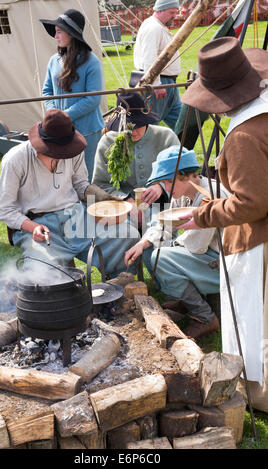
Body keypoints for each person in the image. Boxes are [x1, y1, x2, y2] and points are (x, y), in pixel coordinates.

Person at [179, 37, 268, 412]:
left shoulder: (245, 135)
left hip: (258, 240)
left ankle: (260, 393)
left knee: (256, 321)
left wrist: (204, 213)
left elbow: (252, 203)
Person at [0, 109, 140, 278]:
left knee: (127, 236)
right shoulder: (15, 160)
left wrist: (104, 198)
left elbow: (80, 184)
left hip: (75, 216)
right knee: (40, 271)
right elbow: (5, 210)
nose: (62, 157)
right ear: (41, 144)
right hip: (37, 224)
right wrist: (33, 227)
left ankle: (119, 289)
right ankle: (64, 301)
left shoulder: (73, 150)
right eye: (56, 153)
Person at [124, 145, 230, 339]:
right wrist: (143, 242)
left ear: (186, 176)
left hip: (224, 262)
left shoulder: (209, 195)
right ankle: (185, 300)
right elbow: (165, 226)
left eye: (168, 182)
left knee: (161, 257)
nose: (166, 188)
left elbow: (197, 245)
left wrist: (171, 245)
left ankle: (205, 317)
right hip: (205, 254)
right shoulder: (182, 194)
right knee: (149, 249)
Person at [92, 92, 180, 229]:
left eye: (137, 125)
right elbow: (100, 184)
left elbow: (182, 175)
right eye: (127, 126)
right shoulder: (108, 142)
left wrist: (161, 187)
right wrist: (125, 200)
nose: (132, 131)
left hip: (162, 206)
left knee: (158, 231)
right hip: (121, 208)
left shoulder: (166, 138)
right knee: (123, 234)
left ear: (146, 121)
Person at [40, 9, 104, 181]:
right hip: (59, 130)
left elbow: (93, 98)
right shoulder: (54, 60)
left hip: (87, 131)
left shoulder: (92, 62)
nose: (55, 36)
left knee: (88, 177)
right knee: (64, 178)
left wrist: (64, 116)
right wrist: (53, 114)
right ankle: (70, 208)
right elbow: (47, 91)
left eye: (59, 31)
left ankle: (91, 208)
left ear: (71, 34)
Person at [132, 0, 181, 131]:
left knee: (182, 123)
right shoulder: (153, 28)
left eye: (175, 12)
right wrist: (156, 84)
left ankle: (183, 150)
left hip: (169, 84)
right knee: (150, 127)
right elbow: (149, 58)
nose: (174, 15)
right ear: (159, 10)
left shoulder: (159, 26)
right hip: (158, 83)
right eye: (171, 12)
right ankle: (148, 151)